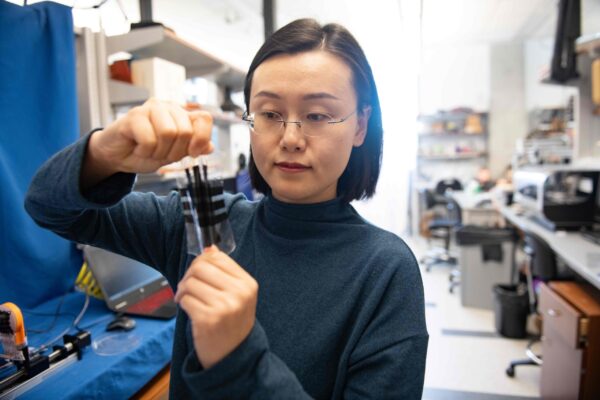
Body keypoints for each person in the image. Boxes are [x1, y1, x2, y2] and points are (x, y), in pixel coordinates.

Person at [25, 18, 428, 399]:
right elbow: (47, 206)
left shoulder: (386, 271)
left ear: (360, 125)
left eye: (317, 114)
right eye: (270, 113)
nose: (289, 138)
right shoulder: (204, 223)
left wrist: (238, 357)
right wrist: (104, 153)